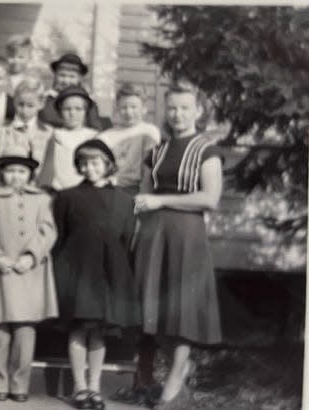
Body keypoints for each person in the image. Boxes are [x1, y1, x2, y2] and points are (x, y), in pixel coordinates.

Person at [131, 80, 224, 409]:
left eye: (185, 107)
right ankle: (180, 367)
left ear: (198, 110)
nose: (178, 114)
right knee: (151, 307)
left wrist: (161, 202)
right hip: (153, 235)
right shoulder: (156, 152)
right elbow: (143, 197)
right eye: (172, 108)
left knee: (181, 310)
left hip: (186, 235)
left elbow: (210, 199)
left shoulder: (206, 150)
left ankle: (172, 386)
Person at [52, 139, 139, 410]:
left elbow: (126, 239)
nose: (90, 168)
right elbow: (60, 235)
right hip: (77, 268)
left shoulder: (124, 200)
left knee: (99, 331)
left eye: (96, 162)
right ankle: (79, 387)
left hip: (108, 270)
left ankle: (94, 388)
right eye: (84, 163)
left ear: (108, 165)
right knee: (79, 328)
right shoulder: (67, 197)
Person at [0, 148, 58, 403]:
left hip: (29, 271)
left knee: (24, 329)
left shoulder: (41, 199)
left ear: (30, 175)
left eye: (21, 172)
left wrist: (31, 256)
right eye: (10, 171)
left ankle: (19, 383)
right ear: (1, 173)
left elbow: (48, 230)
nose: (15, 176)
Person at [97, 83, 161, 195]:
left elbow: (149, 168)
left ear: (144, 108)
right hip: (110, 188)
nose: (129, 112)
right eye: (124, 107)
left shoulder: (148, 131)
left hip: (137, 188)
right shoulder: (106, 136)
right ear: (117, 108)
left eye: (133, 107)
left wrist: (143, 194)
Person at [37, 85, 100, 191]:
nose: (72, 113)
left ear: (86, 112)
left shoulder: (93, 136)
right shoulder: (54, 134)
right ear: (60, 112)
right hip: (58, 188)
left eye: (78, 109)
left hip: (86, 189)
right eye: (67, 109)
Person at [38, 53, 111, 131]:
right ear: (55, 76)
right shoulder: (45, 99)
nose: (66, 81)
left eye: (71, 76)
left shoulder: (87, 101)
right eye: (62, 75)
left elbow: (95, 127)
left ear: (79, 79)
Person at [0, 75, 53, 169]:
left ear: (41, 104)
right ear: (14, 102)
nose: (24, 110)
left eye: (30, 106)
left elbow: (48, 167)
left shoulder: (48, 132)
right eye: (20, 104)